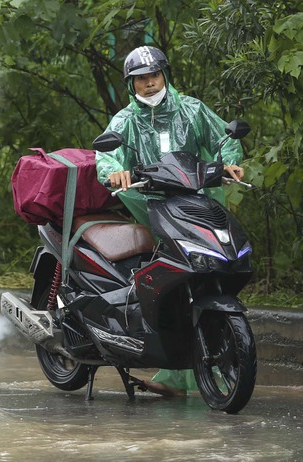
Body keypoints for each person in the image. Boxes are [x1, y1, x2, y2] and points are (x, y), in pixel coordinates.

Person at [95, 45, 245, 396]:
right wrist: (115, 171)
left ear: (165, 75)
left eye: (154, 75)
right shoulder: (124, 121)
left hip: (195, 201)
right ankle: (171, 368)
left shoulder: (191, 110)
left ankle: (203, 362)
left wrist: (229, 161)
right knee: (167, 278)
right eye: (141, 79)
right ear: (132, 84)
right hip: (151, 203)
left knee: (214, 269)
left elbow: (221, 138)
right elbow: (107, 154)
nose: (149, 84)